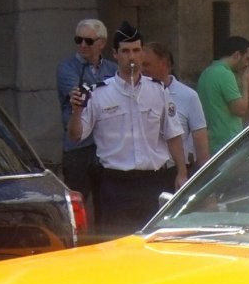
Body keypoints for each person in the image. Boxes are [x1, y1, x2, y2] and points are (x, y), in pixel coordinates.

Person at [67, 22, 187, 236]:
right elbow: (76, 136)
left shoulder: (158, 91)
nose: (131, 57)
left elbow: (173, 134)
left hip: (153, 182)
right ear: (115, 54)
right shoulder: (99, 94)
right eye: (125, 51)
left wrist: (182, 172)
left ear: (142, 54)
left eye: (136, 50)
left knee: (155, 245)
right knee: (118, 248)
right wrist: (76, 111)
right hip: (116, 185)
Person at [56, 19, 117, 206]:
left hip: (105, 146)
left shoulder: (112, 69)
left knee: (105, 203)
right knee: (77, 203)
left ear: (102, 43)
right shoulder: (67, 68)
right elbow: (82, 97)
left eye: (88, 41)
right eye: (78, 40)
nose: (82, 45)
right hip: (78, 147)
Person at [140, 41, 209, 173]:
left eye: (147, 65)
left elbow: (200, 142)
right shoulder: (137, 96)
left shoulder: (188, 96)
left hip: (177, 172)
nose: (142, 70)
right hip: (145, 174)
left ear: (164, 64)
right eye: (141, 65)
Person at [197, 36, 249, 153]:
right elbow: (240, 109)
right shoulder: (225, 74)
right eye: (247, 59)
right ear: (237, 55)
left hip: (213, 140)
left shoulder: (207, 72)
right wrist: (245, 84)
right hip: (227, 141)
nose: (247, 64)